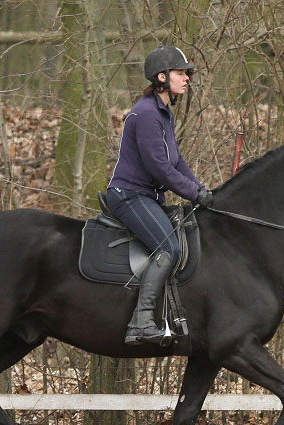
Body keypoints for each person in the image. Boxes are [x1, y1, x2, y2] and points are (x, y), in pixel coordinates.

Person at [105, 45, 214, 346]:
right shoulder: (147, 114)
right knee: (169, 248)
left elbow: (176, 162)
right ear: (162, 77)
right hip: (129, 195)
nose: (186, 78)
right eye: (181, 73)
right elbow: (160, 169)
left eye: (186, 73)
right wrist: (193, 192)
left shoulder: (163, 113)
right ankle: (140, 324)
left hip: (147, 197)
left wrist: (201, 190)